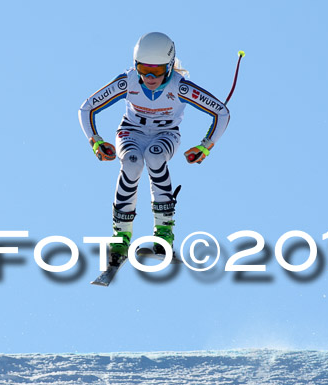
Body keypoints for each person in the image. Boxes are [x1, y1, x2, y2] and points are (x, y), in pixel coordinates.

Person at [78, 32, 230, 266]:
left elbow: (221, 112)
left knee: (155, 157)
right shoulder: (127, 81)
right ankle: (120, 236)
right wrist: (95, 141)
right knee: (131, 161)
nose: (149, 76)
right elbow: (87, 108)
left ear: (169, 67)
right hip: (131, 131)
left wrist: (205, 146)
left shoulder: (181, 88)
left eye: (157, 71)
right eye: (143, 68)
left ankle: (164, 234)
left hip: (166, 134)